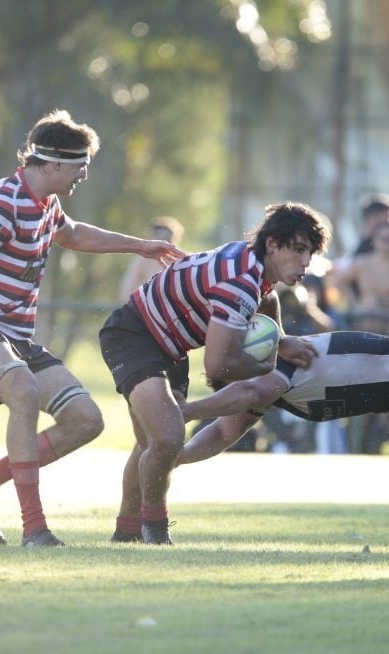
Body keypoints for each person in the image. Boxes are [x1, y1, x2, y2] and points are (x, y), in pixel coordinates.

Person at [0, 109, 185, 548]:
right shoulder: (2, 203)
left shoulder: (47, 204)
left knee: (86, 420)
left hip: (14, 336)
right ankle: (35, 529)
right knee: (23, 390)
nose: (82, 176)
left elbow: (75, 235)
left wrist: (142, 246)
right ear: (52, 163)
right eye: (79, 167)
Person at [102, 201, 329, 544]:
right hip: (133, 334)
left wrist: (280, 341)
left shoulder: (254, 266)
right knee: (166, 437)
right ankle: (156, 530)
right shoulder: (241, 279)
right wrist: (268, 364)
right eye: (297, 250)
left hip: (170, 345)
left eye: (309, 253)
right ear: (272, 244)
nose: (305, 262)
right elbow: (218, 365)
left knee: (152, 442)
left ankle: (126, 532)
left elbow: (265, 300)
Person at [176, 331, 389, 533]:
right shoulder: (260, 390)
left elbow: (247, 394)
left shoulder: (277, 365)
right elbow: (221, 433)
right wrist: (178, 457)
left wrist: (189, 409)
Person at [336, 224, 389, 335]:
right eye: (382, 238)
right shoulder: (363, 263)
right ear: (374, 240)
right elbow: (341, 281)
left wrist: (384, 301)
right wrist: (354, 302)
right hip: (362, 321)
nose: (386, 242)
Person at [118, 216, 185, 302]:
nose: (163, 239)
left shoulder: (184, 257)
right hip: (149, 308)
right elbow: (127, 289)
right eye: (159, 234)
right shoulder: (143, 260)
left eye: (167, 235)